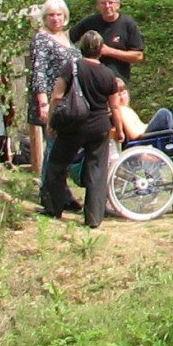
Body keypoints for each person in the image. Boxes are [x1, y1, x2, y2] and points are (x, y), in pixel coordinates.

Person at [43, 30, 125, 227]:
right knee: (97, 171)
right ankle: (94, 217)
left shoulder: (72, 67)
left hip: (73, 125)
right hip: (99, 127)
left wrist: (51, 122)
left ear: (81, 48)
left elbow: (56, 96)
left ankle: (54, 208)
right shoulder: (108, 74)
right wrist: (119, 130)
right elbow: (114, 106)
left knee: (57, 165)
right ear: (101, 50)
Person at [27, 0, 76, 178]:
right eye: (51, 15)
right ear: (45, 17)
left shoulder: (65, 37)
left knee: (63, 148)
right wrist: (43, 104)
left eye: (59, 15)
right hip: (50, 100)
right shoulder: (41, 38)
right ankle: (48, 192)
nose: (55, 19)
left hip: (68, 100)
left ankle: (61, 191)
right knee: (54, 147)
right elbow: (38, 71)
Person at [70, 0, 144, 83]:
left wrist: (109, 51)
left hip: (118, 82)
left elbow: (138, 56)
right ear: (97, 6)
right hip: (91, 82)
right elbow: (67, 38)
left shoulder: (127, 24)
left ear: (118, 5)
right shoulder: (89, 22)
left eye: (110, 2)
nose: (107, 6)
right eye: (103, 3)